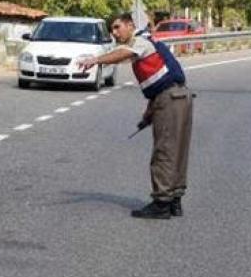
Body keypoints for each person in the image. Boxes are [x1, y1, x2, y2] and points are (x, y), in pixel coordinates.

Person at [78, 13, 193, 220]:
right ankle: (175, 200)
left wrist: (95, 60)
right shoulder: (146, 42)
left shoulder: (139, 41)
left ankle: (162, 203)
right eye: (112, 29)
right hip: (177, 97)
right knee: (177, 152)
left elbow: (122, 53)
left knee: (164, 152)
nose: (114, 33)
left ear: (130, 25)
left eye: (117, 27)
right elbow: (158, 81)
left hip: (171, 99)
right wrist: (149, 113)